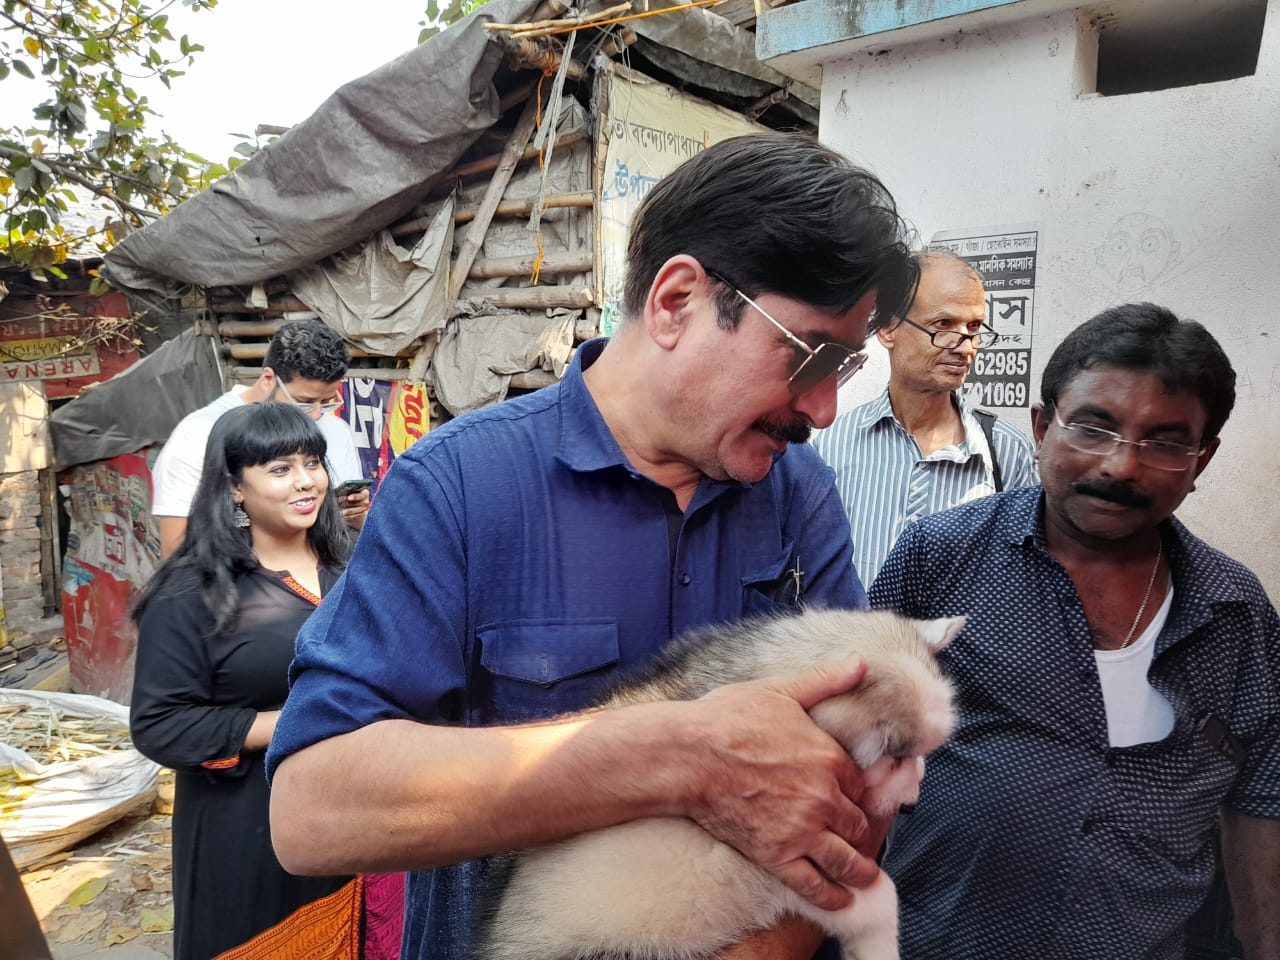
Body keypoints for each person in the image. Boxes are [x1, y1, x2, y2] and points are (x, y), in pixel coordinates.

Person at [265, 133, 919, 960]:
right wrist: (679, 755)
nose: (823, 409)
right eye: (810, 355)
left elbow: (866, 784)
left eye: (846, 366)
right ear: (678, 301)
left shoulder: (798, 497)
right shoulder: (462, 485)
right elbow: (313, 810)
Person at [869, 303, 1279, 960]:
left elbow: (1262, 795)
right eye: (1094, 427)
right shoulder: (940, 557)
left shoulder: (1234, 611)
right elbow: (854, 744)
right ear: (1040, 427)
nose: (1121, 467)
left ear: (1203, 459)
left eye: (1167, 442)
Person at [130, 403, 355, 960]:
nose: (305, 482)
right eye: (279, 470)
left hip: (356, 809)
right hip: (247, 825)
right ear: (234, 488)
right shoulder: (192, 593)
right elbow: (161, 726)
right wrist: (287, 725)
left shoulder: (354, 567)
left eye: (312, 462)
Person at [812, 252, 1037, 584]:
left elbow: (1025, 579)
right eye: (943, 325)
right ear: (888, 329)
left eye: (973, 328)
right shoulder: (834, 443)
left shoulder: (1007, 453)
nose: (965, 347)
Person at [151, 320, 370, 558]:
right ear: (268, 379)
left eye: (327, 402)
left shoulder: (336, 429)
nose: (317, 415)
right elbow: (176, 550)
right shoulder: (199, 434)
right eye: (304, 402)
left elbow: (346, 530)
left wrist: (355, 517)